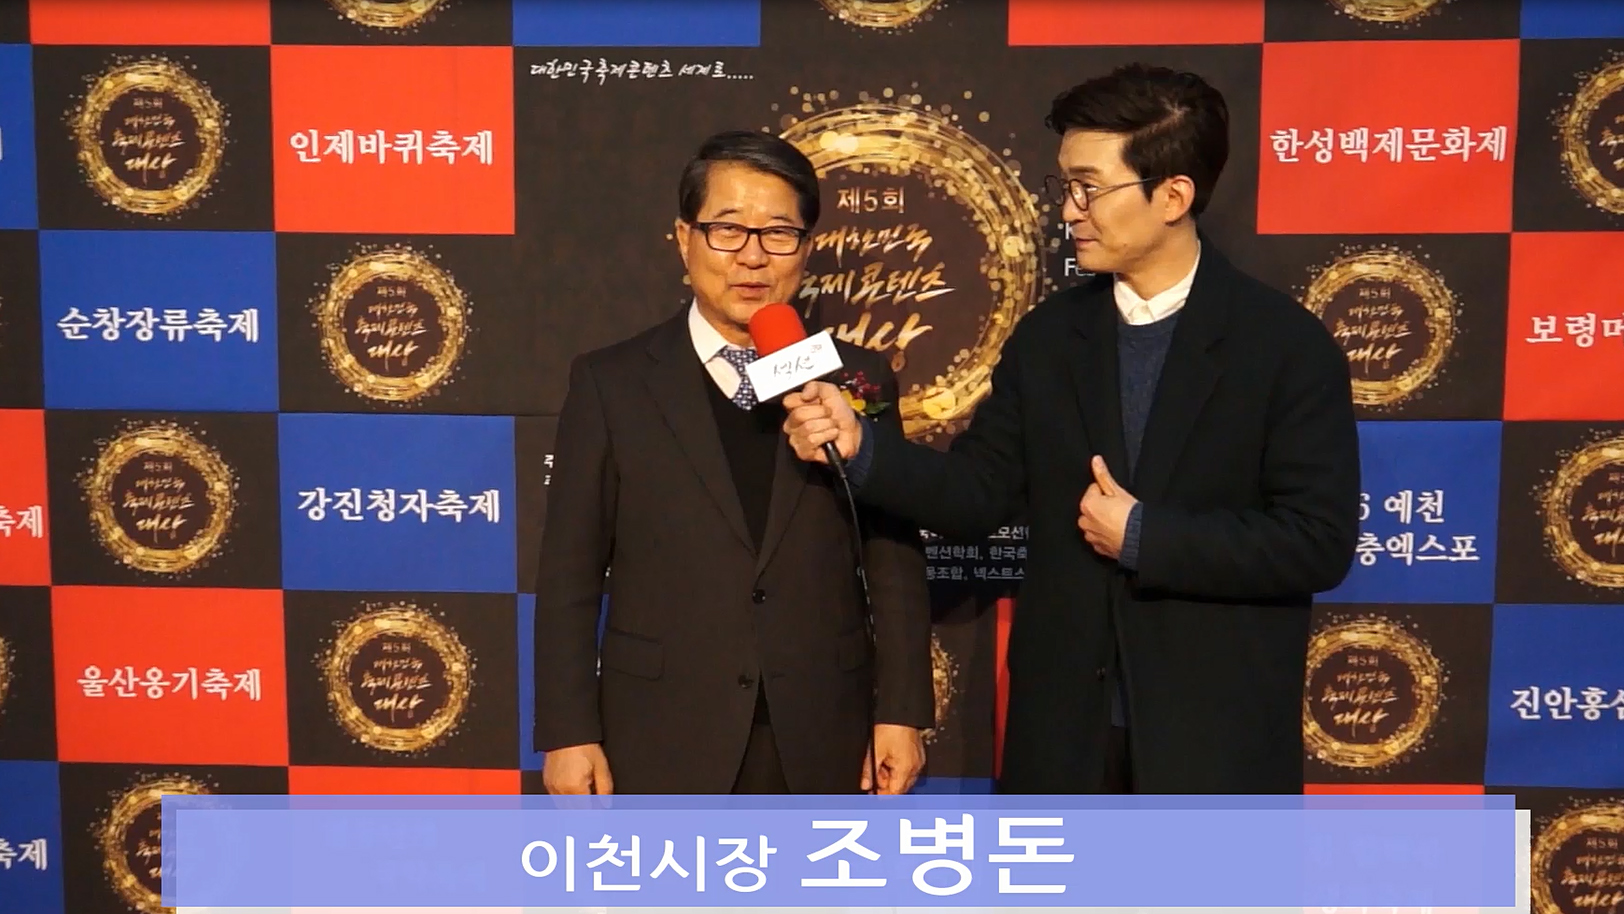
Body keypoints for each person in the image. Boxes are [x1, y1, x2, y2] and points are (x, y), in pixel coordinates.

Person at [783, 64, 1361, 794]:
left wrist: (1145, 537)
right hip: (1062, 737)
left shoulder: (1284, 345)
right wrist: (863, 448)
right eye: (1066, 187)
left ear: (1173, 195)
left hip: (1214, 738)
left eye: (1089, 189)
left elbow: (1316, 541)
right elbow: (978, 491)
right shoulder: (1051, 338)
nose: (1069, 211)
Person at [532, 129, 934, 795]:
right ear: (684, 238)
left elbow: (893, 561)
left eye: (778, 233)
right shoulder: (612, 383)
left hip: (823, 726)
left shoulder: (855, 378)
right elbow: (569, 571)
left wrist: (901, 712)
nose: (753, 257)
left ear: (807, 247)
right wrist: (568, 731)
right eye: (727, 230)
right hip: (661, 727)